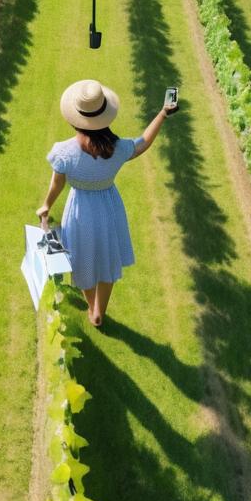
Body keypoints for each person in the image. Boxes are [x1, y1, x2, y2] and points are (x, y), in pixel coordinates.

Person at [37, 79, 177, 327]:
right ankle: (101, 308)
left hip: (80, 211)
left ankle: (92, 308)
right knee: (107, 257)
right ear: (105, 117)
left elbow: (57, 185)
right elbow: (144, 142)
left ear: (75, 119)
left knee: (83, 259)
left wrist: (46, 205)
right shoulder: (118, 149)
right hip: (109, 208)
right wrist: (163, 113)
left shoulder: (64, 152)